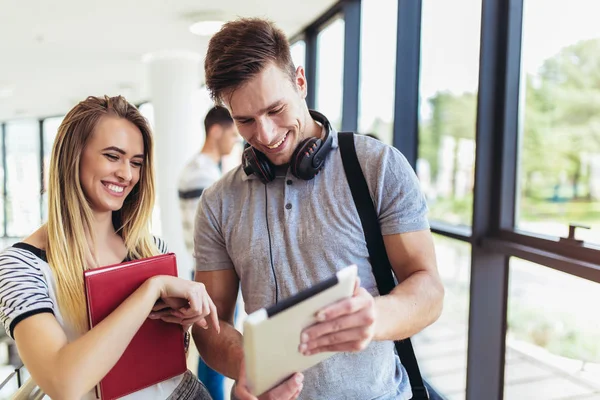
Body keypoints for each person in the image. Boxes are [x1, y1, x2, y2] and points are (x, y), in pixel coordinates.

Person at [190, 18, 444, 400]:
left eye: (276, 109)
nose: (266, 135)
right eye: (245, 121)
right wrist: (250, 365)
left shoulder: (378, 167)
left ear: (301, 82)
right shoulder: (217, 202)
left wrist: (376, 317)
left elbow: (429, 289)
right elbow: (211, 325)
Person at [0, 95, 219, 400]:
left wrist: (181, 324)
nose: (127, 174)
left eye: (136, 163)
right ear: (73, 156)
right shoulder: (22, 265)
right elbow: (64, 383)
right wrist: (151, 290)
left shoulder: (150, 247)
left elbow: (161, 357)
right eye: (112, 156)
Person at [178, 105, 240, 400]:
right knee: (214, 355)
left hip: (213, 271)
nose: (235, 140)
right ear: (216, 131)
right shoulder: (200, 174)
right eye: (231, 133)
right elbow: (210, 236)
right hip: (208, 273)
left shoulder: (211, 171)